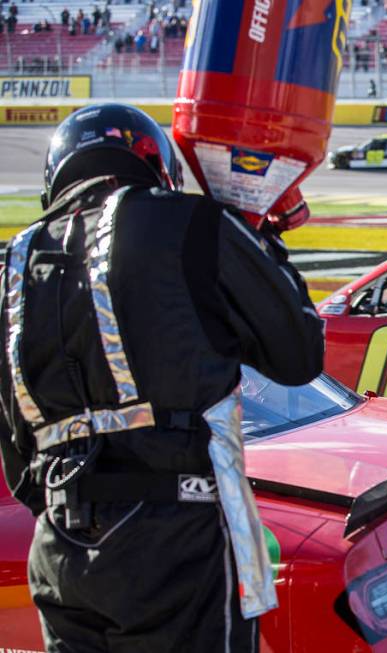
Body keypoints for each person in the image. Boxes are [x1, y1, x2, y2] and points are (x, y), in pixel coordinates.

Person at [0, 103, 324, 652]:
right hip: (176, 537)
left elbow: (16, 454)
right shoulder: (190, 221)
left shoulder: (12, 261)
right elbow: (299, 354)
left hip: (59, 545)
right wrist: (262, 236)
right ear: (157, 165)